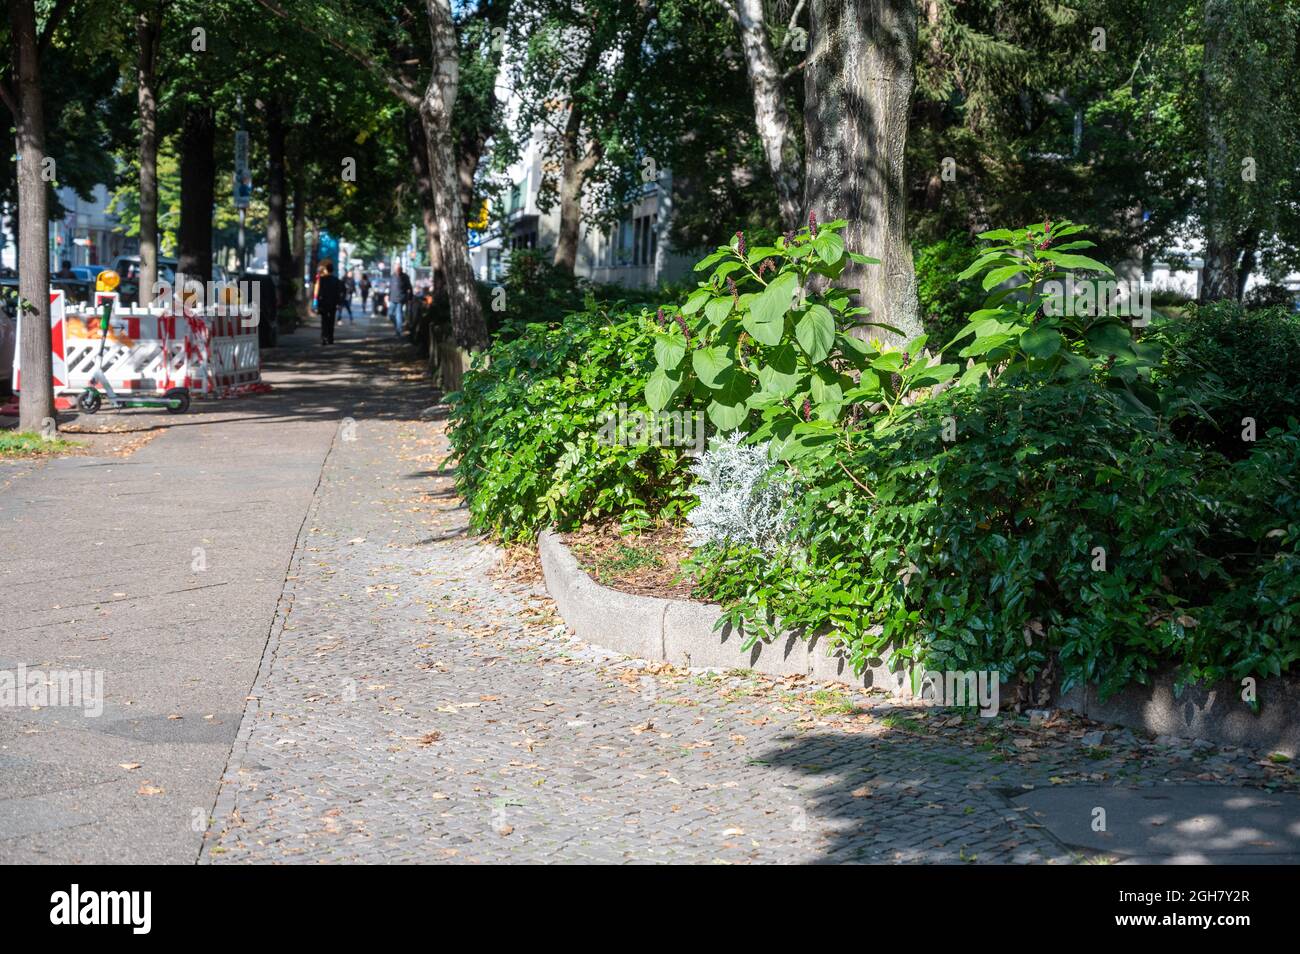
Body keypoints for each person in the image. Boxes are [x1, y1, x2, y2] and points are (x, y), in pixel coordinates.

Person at [315, 259, 343, 345]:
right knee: (331, 321)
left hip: (324, 303)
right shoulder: (336, 280)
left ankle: (324, 337)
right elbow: (339, 293)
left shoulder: (322, 280)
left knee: (324, 321)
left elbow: (320, 292)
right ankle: (331, 338)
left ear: (327, 269)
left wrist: (318, 304)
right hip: (333, 303)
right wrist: (339, 303)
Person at [389, 263, 412, 337]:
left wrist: (410, 298)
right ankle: (397, 327)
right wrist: (387, 296)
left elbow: (409, 288)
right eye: (396, 270)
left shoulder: (405, 277)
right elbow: (391, 287)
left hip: (401, 299)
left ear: (401, 270)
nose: (398, 271)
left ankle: (399, 331)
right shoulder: (393, 276)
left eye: (399, 269)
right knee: (390, 314)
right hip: (392, 298)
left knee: (398, 315)